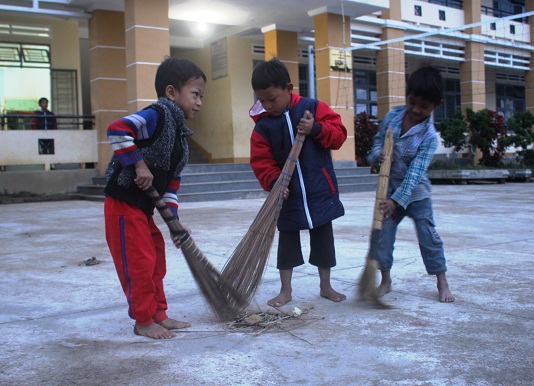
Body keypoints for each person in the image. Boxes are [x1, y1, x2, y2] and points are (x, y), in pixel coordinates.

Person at [103, 57, 206, 339]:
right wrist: (137, 163)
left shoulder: (181, 140)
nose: (199, 102)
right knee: (139, 261)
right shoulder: (157, 114)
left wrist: (175, 222)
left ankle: (159, 313)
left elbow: (171, 187)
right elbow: (117, 129)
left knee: (156, 258)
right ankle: (143, 320)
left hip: (144, 208)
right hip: (123, 203)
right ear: (172, 92)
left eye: (201, 96)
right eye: (195, 94)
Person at [249, 58, 347, 308]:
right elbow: (261, 162)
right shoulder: (264, 127)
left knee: (324, 240)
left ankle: (326, 286)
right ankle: (286, 290)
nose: (268, 105)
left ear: (288, 88)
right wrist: (275, 182)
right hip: (287, 195)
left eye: (272, 98)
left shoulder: (313, 108)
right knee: (287, 241)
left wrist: (316, 129)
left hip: (319, 190)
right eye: (262, 100)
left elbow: (338, 136)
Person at [367, 65, 455, 303]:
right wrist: (378, 156)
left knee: (429, 237)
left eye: (423, 106)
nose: (415, 110)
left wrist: (398, 201)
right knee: (382, 236)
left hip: (416, 195)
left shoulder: (429, 137)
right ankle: (386, 280)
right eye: (412, 102)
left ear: (436, 106)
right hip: (387, 190)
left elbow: (416, 173)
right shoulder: (393, 117)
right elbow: (376, 142)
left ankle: (441, 281)